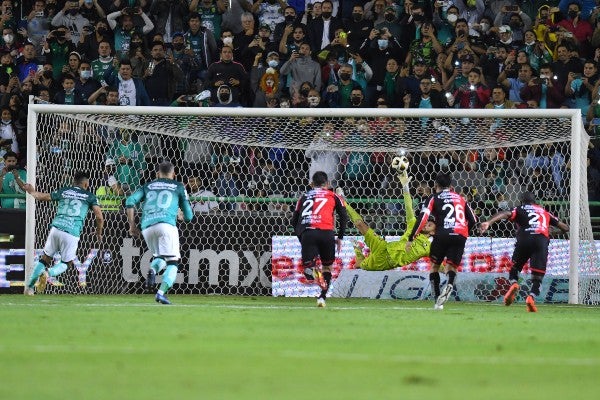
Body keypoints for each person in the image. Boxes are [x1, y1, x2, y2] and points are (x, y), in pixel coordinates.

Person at [14, 171, 104, 295]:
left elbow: (42, 197)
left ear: (73, 182)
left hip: (56, 229)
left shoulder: (64, 191)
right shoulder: (90, 196)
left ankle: (29, 288)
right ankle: (47, 273)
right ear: (86, 184)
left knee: (44, 259)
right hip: (71, 232)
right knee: (66, 263)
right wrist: (99, 232)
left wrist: (31, 191)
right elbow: (99, 217)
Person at [479, 191, 569, 312]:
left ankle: (514, 283)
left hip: (525, 238)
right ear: (535, 201)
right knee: (538, 276)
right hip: (541, 240)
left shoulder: (520, 209)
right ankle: (531, 297)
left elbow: (505, 213)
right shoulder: (544, 212)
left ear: (522, 201)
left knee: (515, 268)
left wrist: (488, 222)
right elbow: (565, 228)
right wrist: (550, 232)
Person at [340, 164, 436, 271]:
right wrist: (405, 187)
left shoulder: (428, 248)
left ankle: (358, 250)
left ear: (433, 233)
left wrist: (450, 271)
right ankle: (342, 201)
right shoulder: (414, 225)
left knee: (358, 265)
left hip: (383, 263)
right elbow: (409, 207)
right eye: (427, 222)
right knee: (360, 225)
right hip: (383, 247)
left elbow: (439, 263)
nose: (426, 224)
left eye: (430, 225)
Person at [407, 171, 477, 310]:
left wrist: (412, 237)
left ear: (435, 185)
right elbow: (474, 220)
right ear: (451, 185)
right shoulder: (461, 198)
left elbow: (423, 218)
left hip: (442, 234)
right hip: (460, 234)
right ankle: (450, 283)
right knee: (451, 268)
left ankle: (437, 301)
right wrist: (462, 230)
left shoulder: (434, 198)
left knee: (434, 266)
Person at [125, 161, 193, 305]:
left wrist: (132, 225)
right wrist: (181, 215)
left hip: (147, 227)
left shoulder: (148, 186)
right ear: (174, 175)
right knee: (173, 262)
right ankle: (161, 293)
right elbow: (189, 216)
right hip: (166, 225)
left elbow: (130, 200)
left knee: (160, 257)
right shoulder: (178, 186)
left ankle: (152, 270)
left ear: (157, 174)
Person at [290, 171, 348, 307]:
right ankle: (322, 297)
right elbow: (343, 216)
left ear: (311, 184)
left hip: (308, 233)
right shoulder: (333, 196)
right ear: (327, 184)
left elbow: (294, 221)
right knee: (327, 267)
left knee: (308, 271)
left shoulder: (303, 197)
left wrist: (301, 236)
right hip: (327, 233)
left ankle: (313, 268)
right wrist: (340, 237)